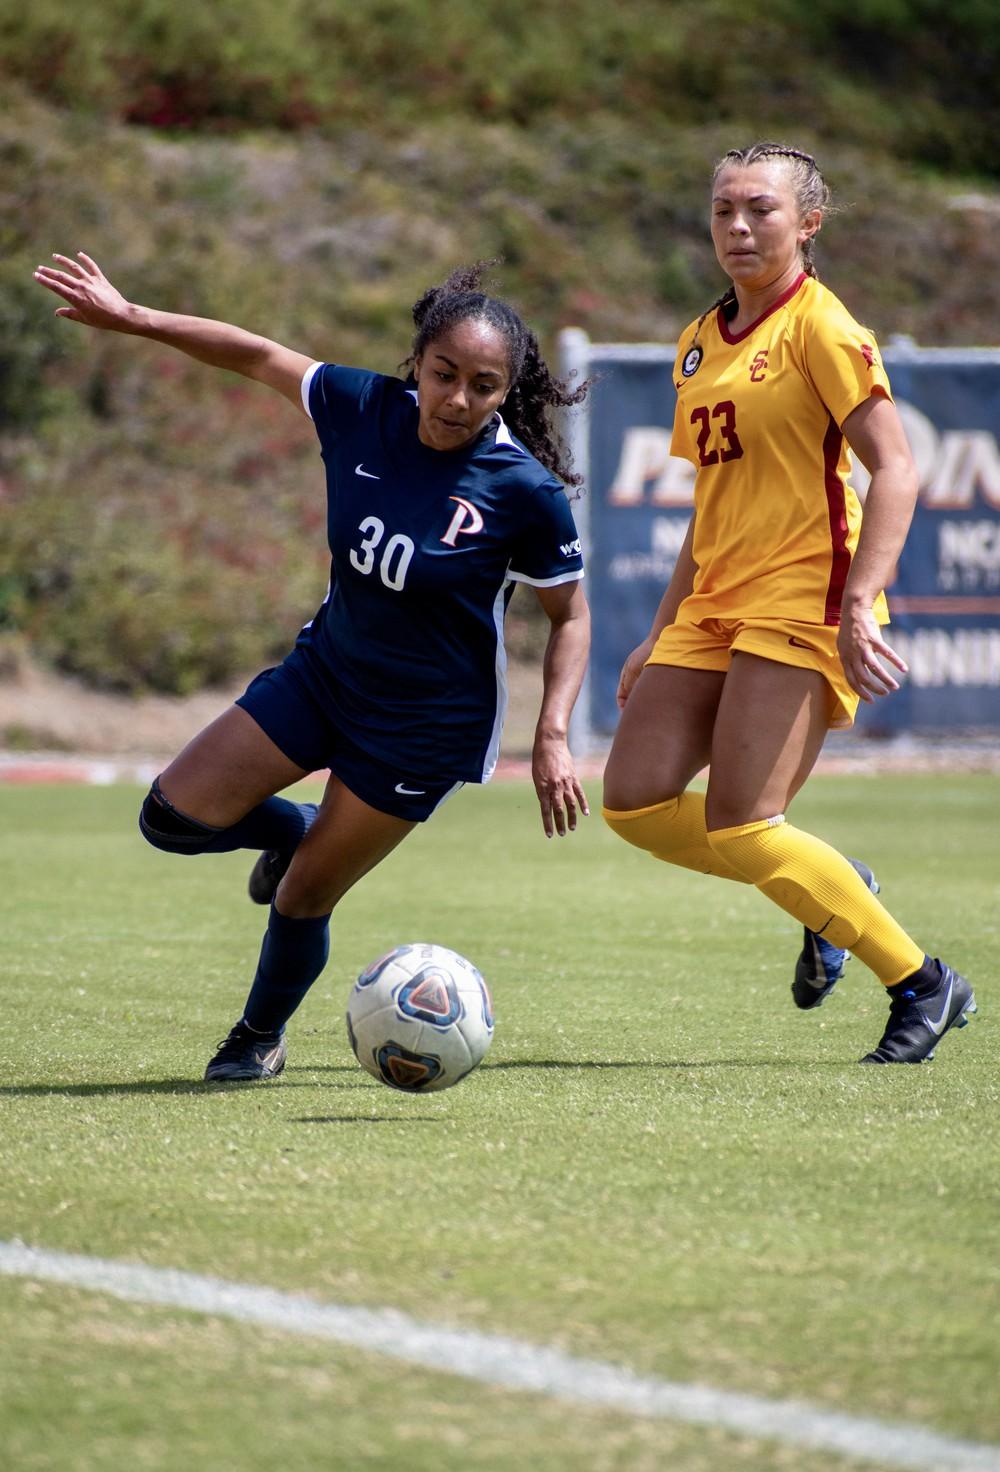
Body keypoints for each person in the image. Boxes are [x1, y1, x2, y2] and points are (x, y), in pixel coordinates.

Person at [34, 252, 591, 1081]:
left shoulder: (523, 491)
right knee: (170, 820)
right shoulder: (359, 406)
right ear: (418, 363)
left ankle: (256, 1038)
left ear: (506, 391)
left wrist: (551, 735)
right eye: (444, 375)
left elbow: (570, 614)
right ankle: (294, 827)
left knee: (300, 897)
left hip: (423, 730)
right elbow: (256, 354)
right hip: (327, 674)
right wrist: (136, 317)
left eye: (483, 386)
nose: (458, 400)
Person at [601, 142, 975, 1065]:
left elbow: (898, 468)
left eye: (760, 209)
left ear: (807, 224)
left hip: (803, 592)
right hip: (714, 600)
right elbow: (706, 508)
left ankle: (923, 983)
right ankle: (837, 885)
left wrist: (859, 606)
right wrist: (655, 635)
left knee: (742, 821)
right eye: (724, 208)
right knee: (635, 803)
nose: (738, 226)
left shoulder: (825, 328)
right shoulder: (697, 340)